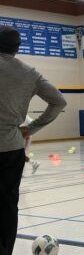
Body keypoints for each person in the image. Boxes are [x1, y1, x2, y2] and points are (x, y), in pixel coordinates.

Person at [0, 25, 66, 255]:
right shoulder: (30, 73)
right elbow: (59, 102)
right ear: (17, 48)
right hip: (11, 149)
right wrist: (32, 128)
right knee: (7, 207)